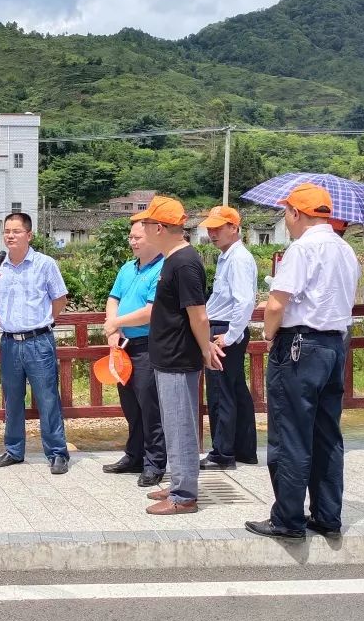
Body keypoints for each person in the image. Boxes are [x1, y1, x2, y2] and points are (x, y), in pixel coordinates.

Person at [244, 183, 360, 540]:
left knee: (291, 433)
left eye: (286, 214)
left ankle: (288, 518)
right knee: (327, 434)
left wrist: (267, 335)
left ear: (296, 213)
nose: (286, 220)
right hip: (333, 345)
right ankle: (327, 515)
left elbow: (277, 303)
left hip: (298, 345)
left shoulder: (302, 249)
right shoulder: (346, 250)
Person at [132, 196, 222, 515]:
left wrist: (205, 347)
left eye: (145, 223)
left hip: (178, 357)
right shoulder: (172, 259)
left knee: (181, 425)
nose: (141, 228)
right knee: (173, 424)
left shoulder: (184, 262)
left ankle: (185, 495)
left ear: (159, 227)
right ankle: (179, 481)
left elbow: (198, 314)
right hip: (167, 355)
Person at [0, 211, 70, 474]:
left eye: (16, 231)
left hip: (38, 341)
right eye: (7, 231)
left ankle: (57, 452)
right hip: (8, 342)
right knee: (13, 398)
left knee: (47, 397)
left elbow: (60, 299)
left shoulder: (44, 263)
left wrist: (45, 321)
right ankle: (14, 450)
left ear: (29, 235)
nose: (10, 236)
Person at [101, 218, 166, 486]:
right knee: (130, 406)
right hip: (124, 346)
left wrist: (117, 323)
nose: (133, 242)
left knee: (150, 407)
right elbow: (113, 299)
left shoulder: (162, 268)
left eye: (138, 237)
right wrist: (113, 330)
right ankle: (134, 455)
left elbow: (151, 312)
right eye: (131, 237)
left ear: (152, 236)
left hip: (147, 347)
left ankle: (155, 462)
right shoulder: (128, 268)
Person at [199, 205, 259, 470]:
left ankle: (223, 453)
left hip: (225, 329)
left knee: (220, 391)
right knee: (235, 390)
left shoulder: (238, 259)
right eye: (210, 229)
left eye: (218, 228)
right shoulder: (228, 257)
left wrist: (229, 336)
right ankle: (243, 450)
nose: (212, 233)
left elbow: (244, 301)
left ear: (234, 228)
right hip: (224, 326)